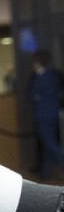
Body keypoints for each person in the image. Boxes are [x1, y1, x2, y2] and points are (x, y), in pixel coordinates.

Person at [28, 50, 64, 179]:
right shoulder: (53, 76)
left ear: (37, 63)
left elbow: (33, 96)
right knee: (48, 143)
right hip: (53, 114)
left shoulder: (40, 78)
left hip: (43, 115)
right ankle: (45, 172)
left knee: (49, 143)